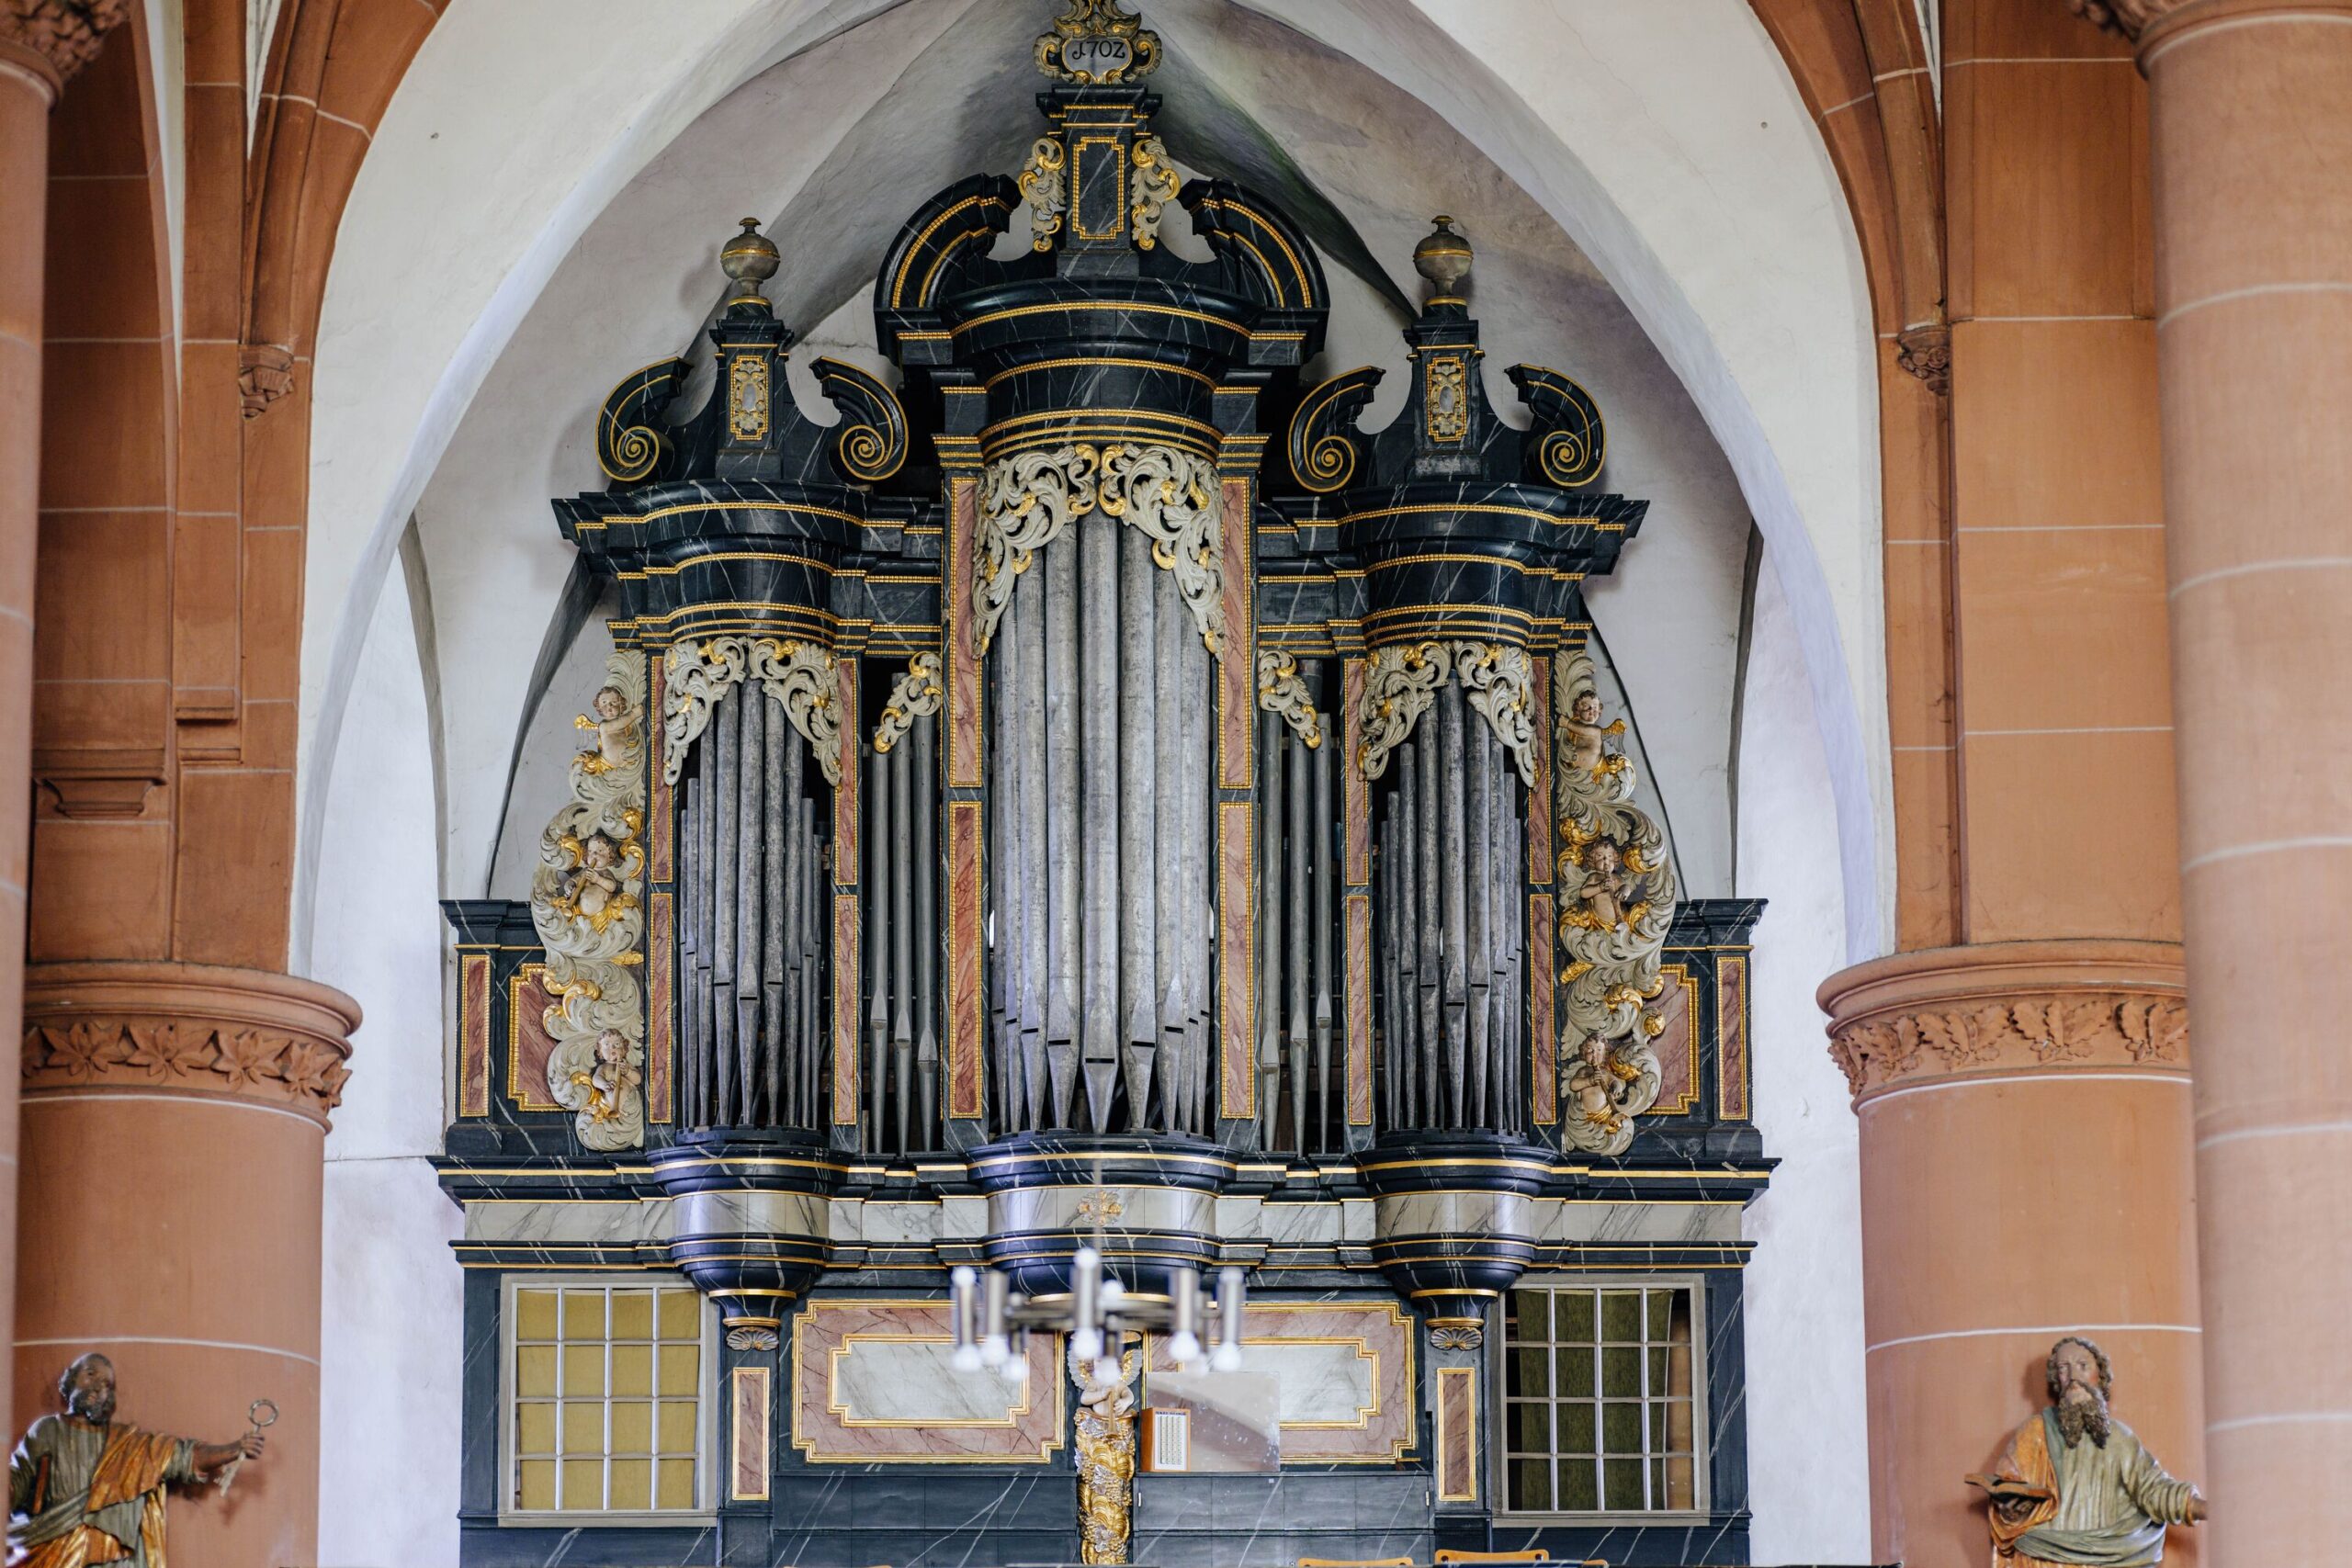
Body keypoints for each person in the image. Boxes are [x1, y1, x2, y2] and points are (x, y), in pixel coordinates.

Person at [8, 1353, 263, 1567]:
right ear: (70, 1379)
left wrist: (234, 1448)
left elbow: (181, 1457)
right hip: (52, 1547)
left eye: (108, 1384)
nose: (99, 1386)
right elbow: (16, 1482)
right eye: (90, 1375)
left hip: (110, 1556)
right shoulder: (47, 1429)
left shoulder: (129, 1444)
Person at [1978, 1336, 2205, 1567]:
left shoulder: (2120, 1438)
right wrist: (2012, 1505)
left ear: (2100, 1374)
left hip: (2108, 1559)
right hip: (2044, 1559)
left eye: (2083, 1366)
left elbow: (2152, 1489)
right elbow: (2008, 1488)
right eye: (2064, 1368)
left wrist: (2197, 1506)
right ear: (2057, 1379)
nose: (2074, 1377)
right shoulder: (2034, 1433)